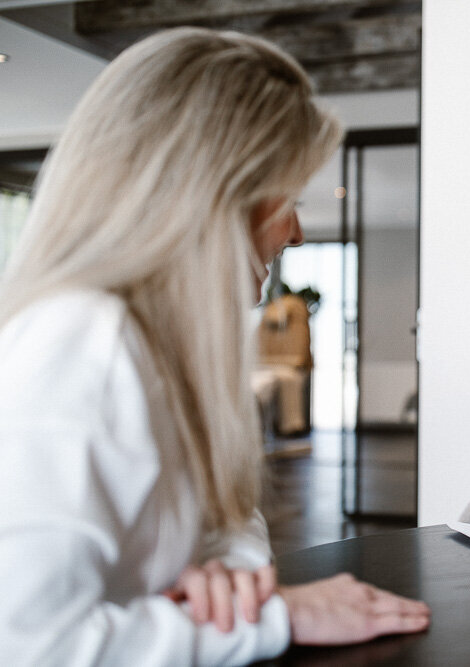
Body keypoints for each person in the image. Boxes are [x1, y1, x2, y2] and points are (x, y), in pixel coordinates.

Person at [0, 27, 429, 664]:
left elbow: (225, 521)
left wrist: (233, 576)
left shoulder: (164, 345)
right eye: (290, 199)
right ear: (216, 194)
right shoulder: (81, 340)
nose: (298, 231)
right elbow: (29, 644)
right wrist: (270, 615)